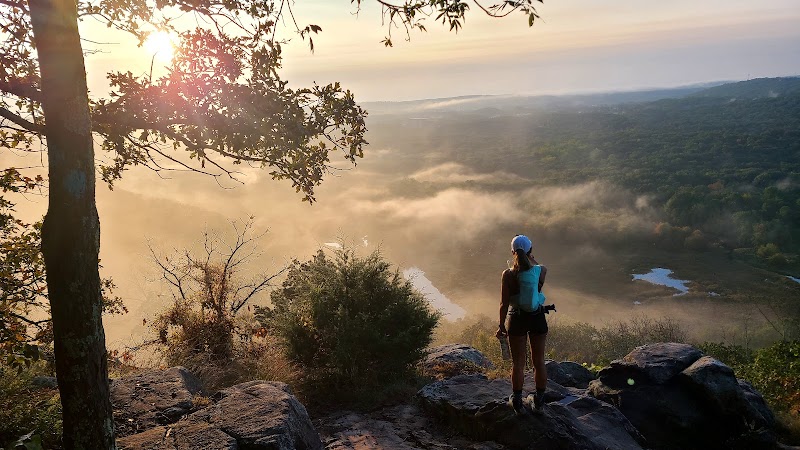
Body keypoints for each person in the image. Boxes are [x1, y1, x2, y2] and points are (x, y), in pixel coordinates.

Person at [496, 234, 548, 414]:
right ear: (530, 252)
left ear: (512, 252)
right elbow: (541, 269)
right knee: (539, 361)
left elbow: (503, 303)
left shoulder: (508, 274)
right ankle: (539, 400)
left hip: (517, 318)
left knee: (518, 362)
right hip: (537, 317)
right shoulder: (539, 271)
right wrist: (533, 259)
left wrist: (501, 325)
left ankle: (517, 401)